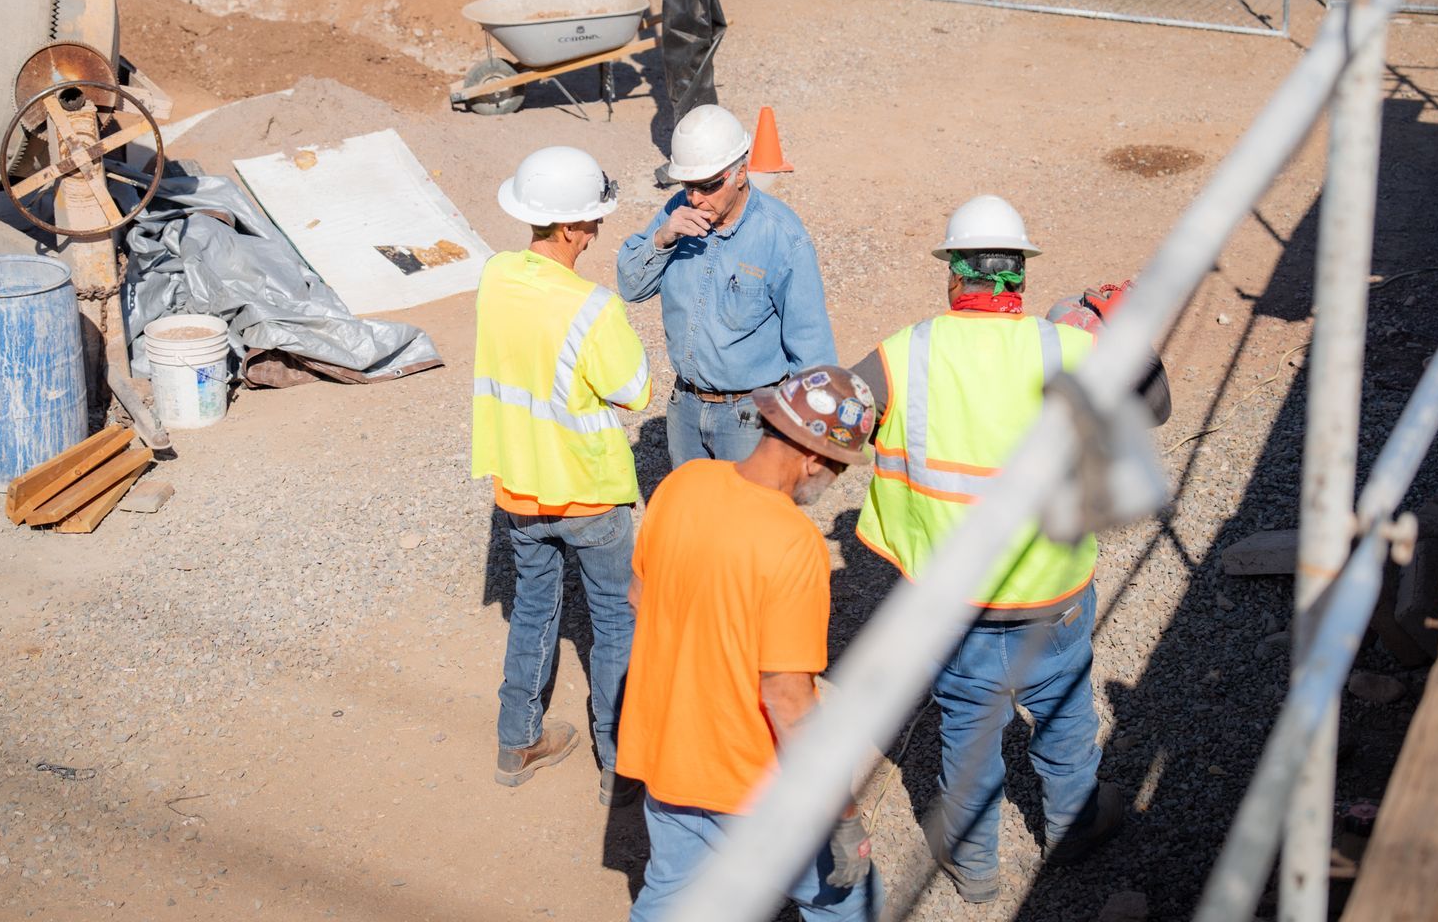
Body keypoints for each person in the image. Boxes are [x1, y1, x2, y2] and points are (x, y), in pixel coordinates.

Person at [848, 195, 1170, 903]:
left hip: (954, 606)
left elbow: (836, 420)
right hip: (1053, 597)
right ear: (1020, 273)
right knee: (1064, 712)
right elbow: (1156, 405)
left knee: (968, 729)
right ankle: (1074, 829)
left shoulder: (905, 353)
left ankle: (975, 866)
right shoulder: (1071, 351)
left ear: (952, 273)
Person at [618, 365, 879, 921]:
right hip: (748, 783)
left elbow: (639, 600)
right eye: (839, 467)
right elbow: (787, 699)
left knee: (670, 899)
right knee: (847, 901)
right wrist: (841, 814)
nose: (834, 479)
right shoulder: (794, 543)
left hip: (669, 760)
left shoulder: (683, 483)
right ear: (813, 459)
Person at [471, 146, 652, 807]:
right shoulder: (593, 307)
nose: (596, 232)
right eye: (594, 221)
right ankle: (619, 763)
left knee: (533, 608)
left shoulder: (495, 276)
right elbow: (634, 391)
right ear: (573, 228)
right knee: (614, 621)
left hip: (520, 487)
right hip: (589, 493)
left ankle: (517, 741)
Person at [617, 104, 838, 467]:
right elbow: (631, 287)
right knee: (692, 505)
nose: (696, 198)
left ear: (740, 172)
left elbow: (811, 345)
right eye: (688, 185)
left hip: (749, 418)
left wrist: (810, 437)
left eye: (708, 185)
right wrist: (662, 237)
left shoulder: (782, 236)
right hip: (685, 409)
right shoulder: (677, 213)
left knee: (750, 506)